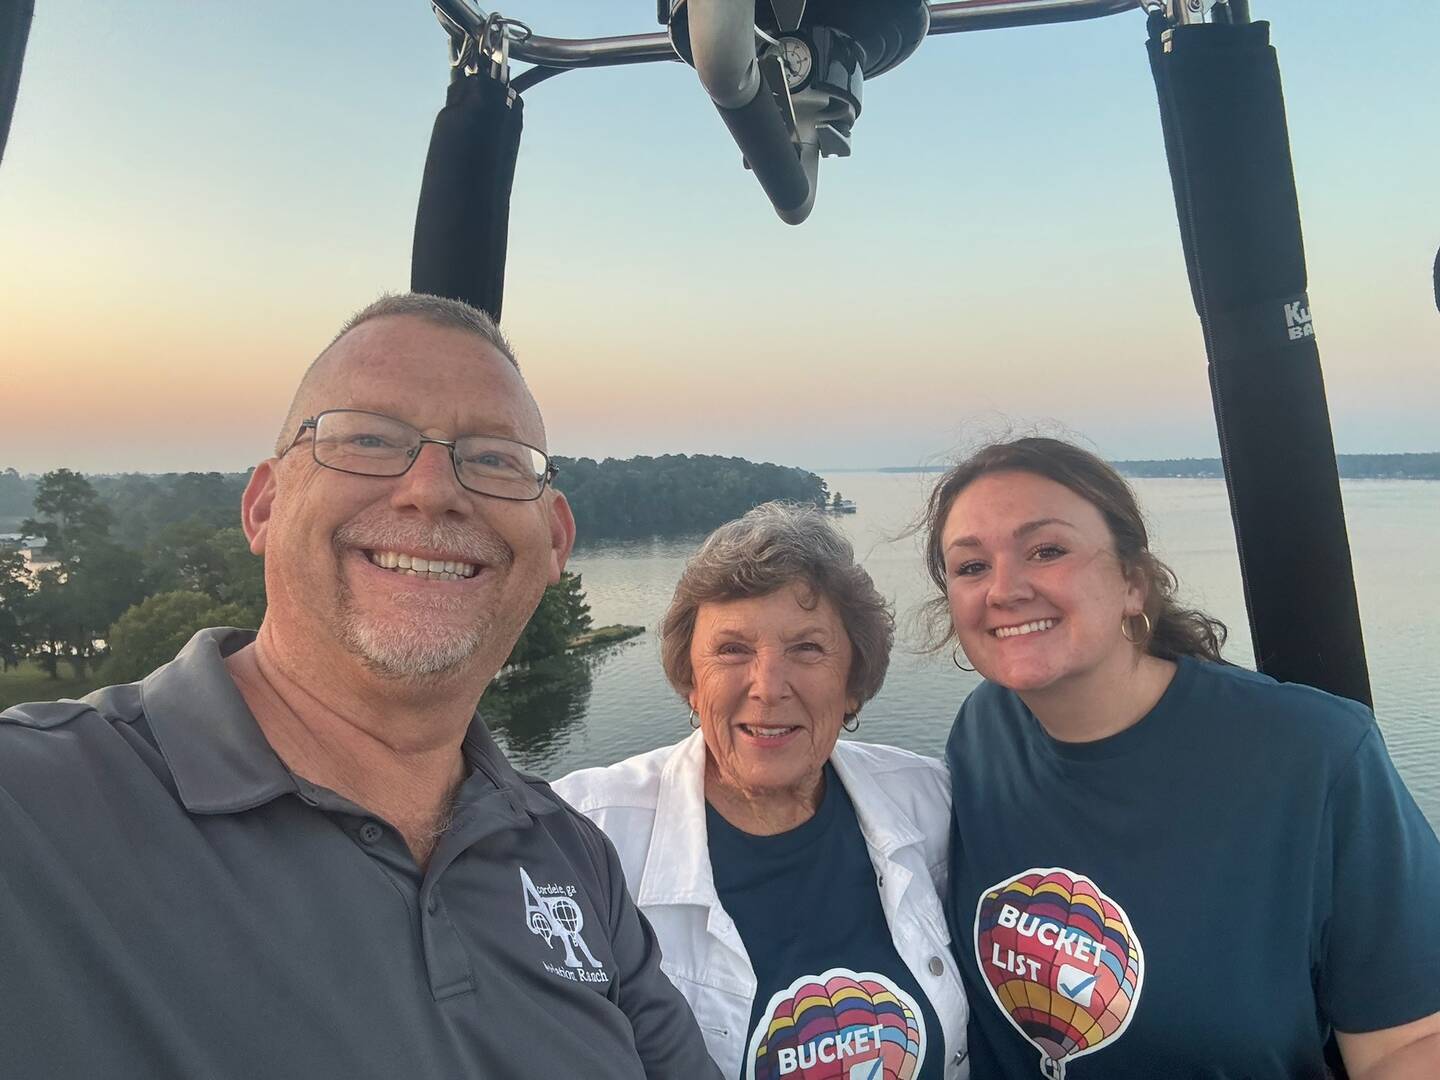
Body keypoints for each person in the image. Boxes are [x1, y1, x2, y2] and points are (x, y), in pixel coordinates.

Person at [0, 293, 722, 1080]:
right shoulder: (35, 808)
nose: (431, 489)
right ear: (264, 506)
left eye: (493, 459)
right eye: (369, 439)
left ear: (554, 541)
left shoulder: (572, 856)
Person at [919, 435, 1440, 1080]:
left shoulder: (1314, 754)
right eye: (971, 566)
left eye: (1046, 551)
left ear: (1133, 583)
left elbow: (1411, 1041)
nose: (1003, 590)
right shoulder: (982, 733)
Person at [554, 503, 970, 1080]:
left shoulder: (929, 801)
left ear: (852, 682)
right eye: (732, 649)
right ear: (690, 680)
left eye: (807, 648)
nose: (769, 687)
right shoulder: (578, 838)